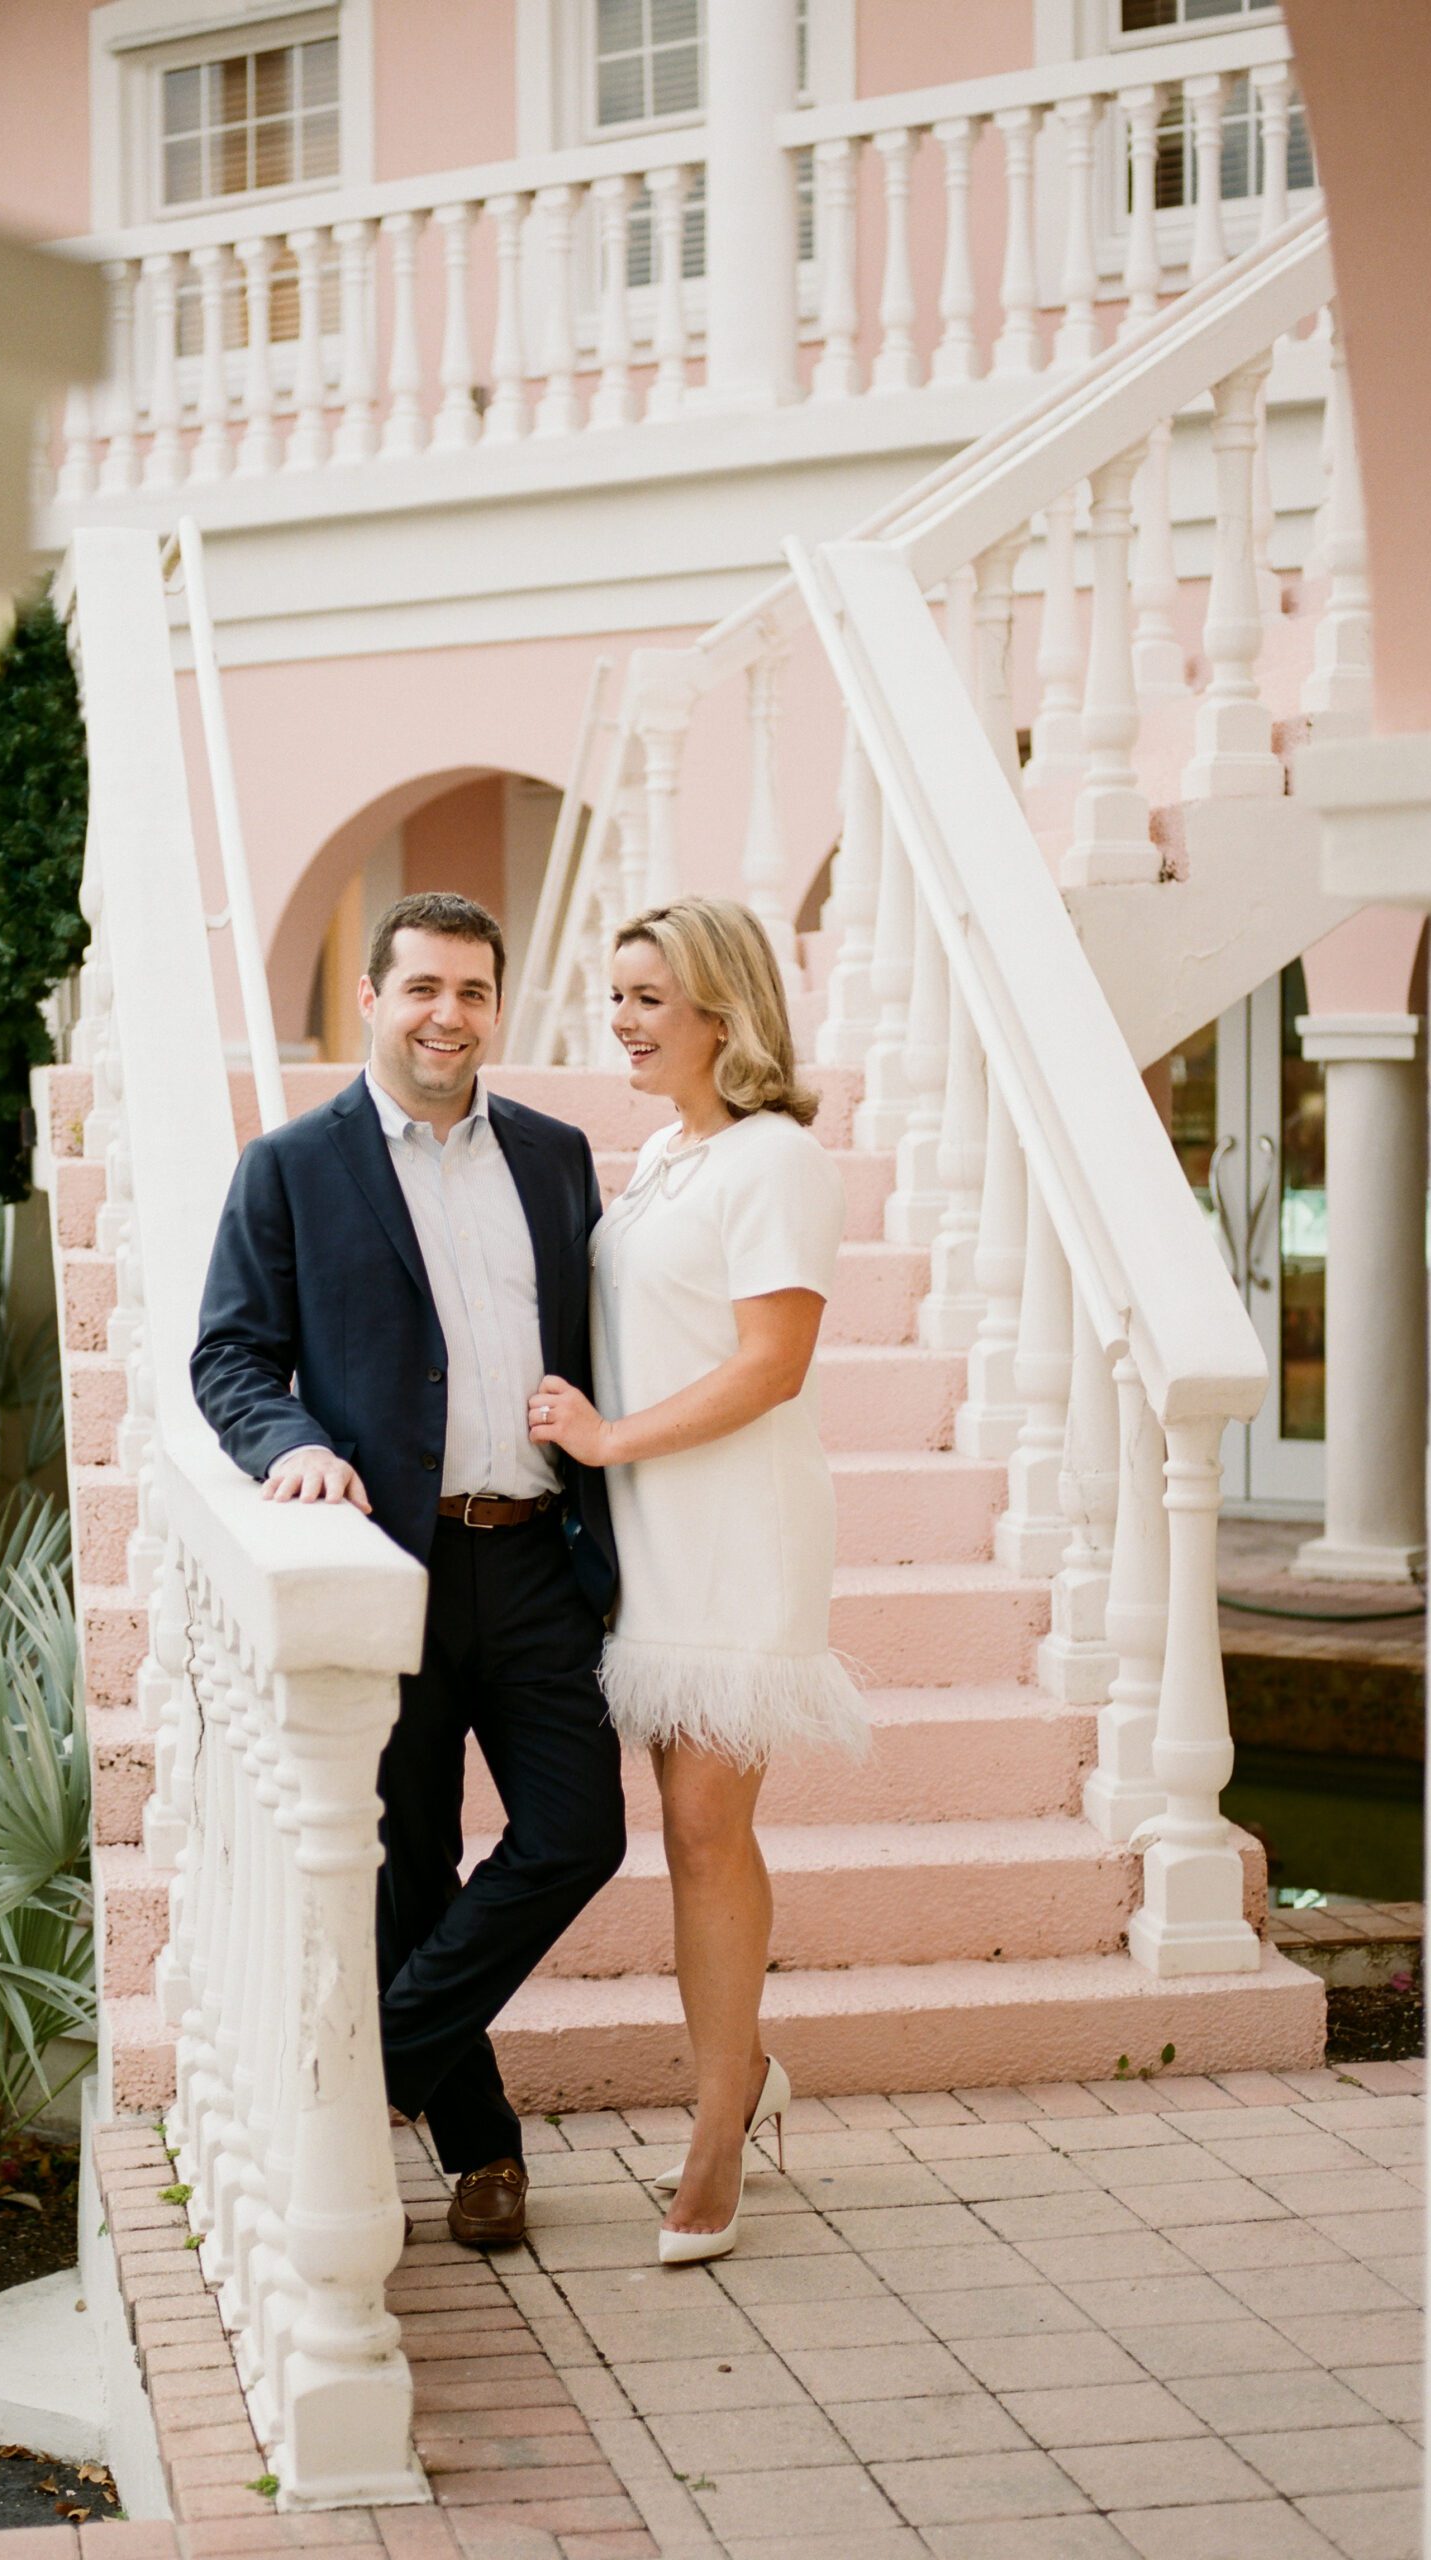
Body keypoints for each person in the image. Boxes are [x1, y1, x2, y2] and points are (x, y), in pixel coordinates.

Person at [192, 890, 625, 2252]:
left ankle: (372, 2069)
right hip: (396, 1562)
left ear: (499, 1008)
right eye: (422, 987)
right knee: (412, 1864)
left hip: (539, 1551)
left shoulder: (554, 1157)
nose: (448, 1015)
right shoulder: (290, 1167)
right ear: (370, 999)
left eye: (473, 992)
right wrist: (295, 1442)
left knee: (578, 1833)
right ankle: (481, 2150)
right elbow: (229, 1358)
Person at [528, 896, 869, 2266]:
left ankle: (719, 2119)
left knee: (703, 1825)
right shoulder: (665, 1153)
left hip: (734, 1525)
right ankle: (747, 2071)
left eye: (646, 998)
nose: (620, 1020)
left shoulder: (775, 1160)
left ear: (722, 1012)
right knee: (686, 1825)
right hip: (647, 1529)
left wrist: (608, 1436)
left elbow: (770, 1363)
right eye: (615, 995)